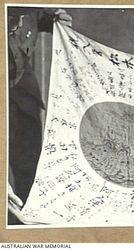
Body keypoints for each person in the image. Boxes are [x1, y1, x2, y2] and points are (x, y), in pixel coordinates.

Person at [7, 7, 72, 224]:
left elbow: (45, 17)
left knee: (29, 156)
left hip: (23, 92)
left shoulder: (34, 11)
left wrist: (59, 19)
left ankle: (28, 215)